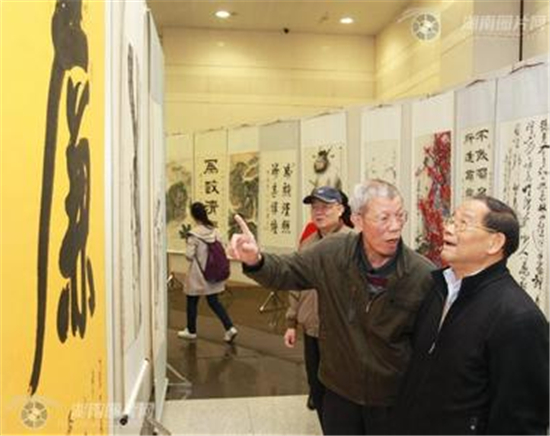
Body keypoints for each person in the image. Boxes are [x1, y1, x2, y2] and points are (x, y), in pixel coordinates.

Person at [229, 179, 435, 435]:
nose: (395, 226)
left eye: (400, 216)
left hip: (392, 399)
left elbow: (429, 349)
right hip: (340, 392)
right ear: (358, 220)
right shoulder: (331, 252)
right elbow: (286, 271)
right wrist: (255, 260)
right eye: (384, 218)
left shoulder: (421, 274)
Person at [395, 195, 549, 435]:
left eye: (463, 223)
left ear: (494, 243)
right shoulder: (439, 289)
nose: (448, 228)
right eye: (451, 220)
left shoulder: (518, 317)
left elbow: (520, 420)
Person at [284, 187, 354, 429]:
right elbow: (295, 284)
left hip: (340, 331)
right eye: (315, 207)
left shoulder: (353, 242)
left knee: (339, 390)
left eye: (325, 207)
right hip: (311, 328)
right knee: (316, 386)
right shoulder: (308, 244)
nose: (319, 212)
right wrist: (291, 322)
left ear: (341, 210)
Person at [178, 202, 238, 343]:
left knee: (192, 301)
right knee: (214, 302)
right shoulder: (215, 231)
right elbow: (223, 248)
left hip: (198, 275)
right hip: (213, 274)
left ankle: (191, 330)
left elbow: (189, 256)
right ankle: (229, 327)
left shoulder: (193, 235)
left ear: (193, 215)